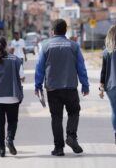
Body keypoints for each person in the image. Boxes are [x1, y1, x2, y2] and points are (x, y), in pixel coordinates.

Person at [35, 19, 89, 156]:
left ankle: (59, 148)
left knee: (56, 117)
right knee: (74, 112)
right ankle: (71, 136)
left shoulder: (45, 46)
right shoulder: (74, 46)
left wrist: (38, 86)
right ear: (66, 31)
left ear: (52, 31)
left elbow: (39, 68)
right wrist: (85, 84)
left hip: (53, 89)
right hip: (70, 87)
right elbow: (81, 67)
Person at [0, 36, 25, 157]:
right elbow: (22, 77)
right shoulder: (16, 59)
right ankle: (10, 139)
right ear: (6, 46)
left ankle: (1, 150)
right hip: (12, 96)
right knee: (12, 121)